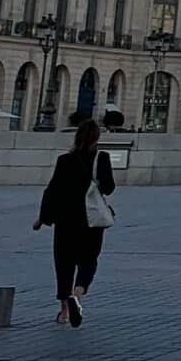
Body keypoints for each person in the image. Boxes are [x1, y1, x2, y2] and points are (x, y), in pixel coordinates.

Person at [33, 119, 116, 328]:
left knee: (64, 263)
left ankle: (64, 311)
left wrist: (42, 218)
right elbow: (108, 188)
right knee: (88, 261)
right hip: (92, 220)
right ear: (96, 138)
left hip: (66, 220)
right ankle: (77, 294)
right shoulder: (102, 158)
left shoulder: (64, 160)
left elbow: (52, 191)